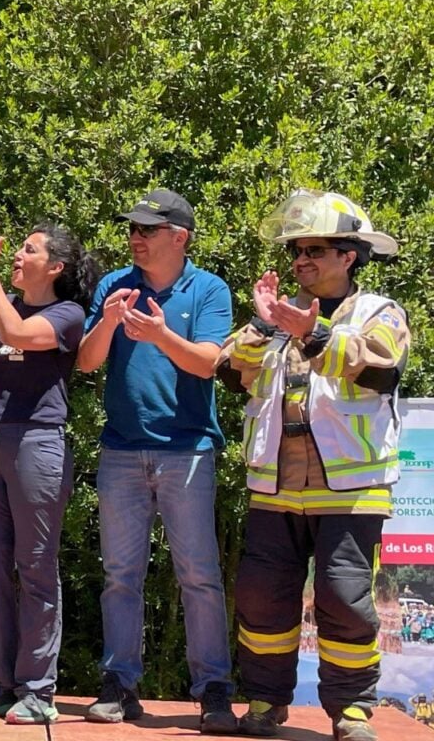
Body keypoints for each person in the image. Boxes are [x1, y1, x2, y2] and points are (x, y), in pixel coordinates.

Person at [215, 190, 409, 741]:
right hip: (275, 487)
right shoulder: (277, 318)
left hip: (350, 488)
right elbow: (229, 371)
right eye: (296, 251)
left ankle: (352, 711)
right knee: (261, 596)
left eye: (314, 250)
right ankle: (265, 701)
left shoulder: (379, 312)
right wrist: (261, 326)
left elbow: (381, 369)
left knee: (343, 599)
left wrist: (315, 333)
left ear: (349, 255)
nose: (301, 260)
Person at [76, 189, 236, 733]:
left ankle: (213, 690)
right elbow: (86, 363)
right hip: (121, 450)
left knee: (199, 576)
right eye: (133, 229)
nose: (136, 238)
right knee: (120, 575)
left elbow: (209, 363)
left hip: (187, 451)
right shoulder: (114, 285)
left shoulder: (209, 289)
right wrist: (107, 322)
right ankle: (119, 684)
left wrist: (161, 334)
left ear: (179, 237)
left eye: (147, 229)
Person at [0, 218, 97, 725]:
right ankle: (1, 684)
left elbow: (17, 333)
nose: (17, 255)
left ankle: (37, 690)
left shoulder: (67, 314)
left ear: (55, 267)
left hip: (37, 442)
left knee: (35, 567)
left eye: (29, 250)